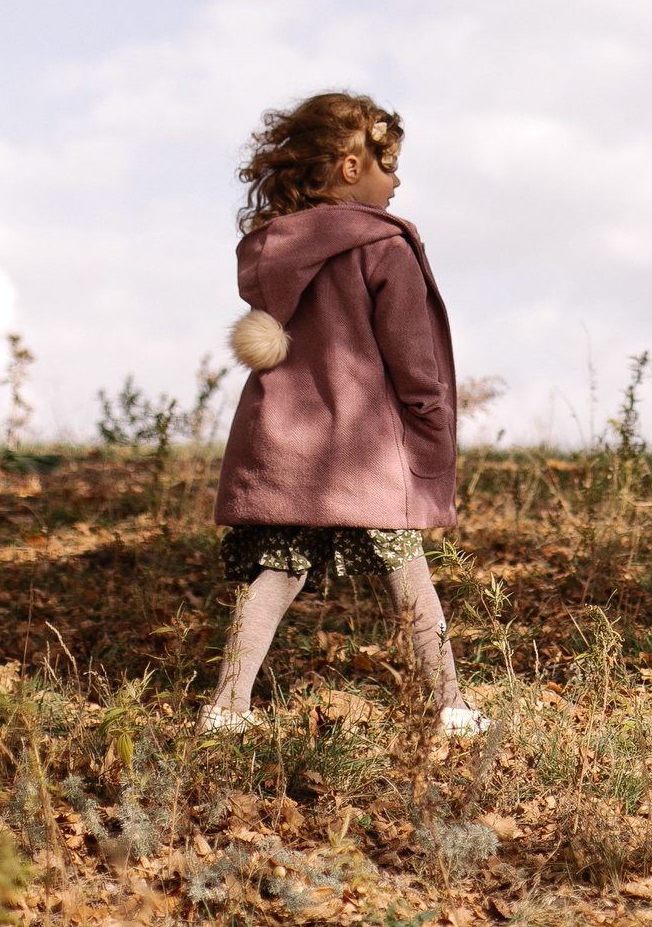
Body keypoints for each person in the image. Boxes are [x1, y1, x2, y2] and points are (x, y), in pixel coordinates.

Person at [199, 92, 488, 735]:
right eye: (388, 165)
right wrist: (431, 422)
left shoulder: (273, 249)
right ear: (351, 168)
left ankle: (227, 708)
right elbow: (414, 355)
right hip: (364, 449)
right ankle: (450, 706)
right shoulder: (384, 247)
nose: (398, 180)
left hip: (286, 442)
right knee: (405, 567)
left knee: (275, 570)